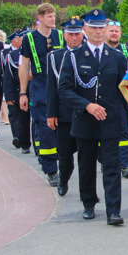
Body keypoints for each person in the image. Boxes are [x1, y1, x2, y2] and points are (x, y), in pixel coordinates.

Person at [58, 9, 128, 226]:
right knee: (86, 164)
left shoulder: (117, 57)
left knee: (112, 165)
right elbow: (64, 90)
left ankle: (113, 210)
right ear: (84, 30)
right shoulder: (73, 57)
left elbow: (124, 91)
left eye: (100, 27)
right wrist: (87, 105)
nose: (97, 31)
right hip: (85, 120)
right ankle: (89, 203)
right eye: (93, 27)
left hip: (110, 120)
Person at [20, 3, 64, 187]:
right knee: (46, 128)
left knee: (62, 128)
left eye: (54, 16)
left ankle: (63, 162)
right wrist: (23, 92)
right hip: (39, 85)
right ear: (40, 18)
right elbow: (24, 67)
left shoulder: (60, 36)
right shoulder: (29, 38)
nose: (53, 19)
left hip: (60, 85)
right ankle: (51, 169)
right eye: (49, 16)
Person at [47, 18, 84, 197]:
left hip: (85, 113)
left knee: (85, 155)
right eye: (71, 34)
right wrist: (51, 113)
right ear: (64, 35)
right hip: (63, 115)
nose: (74, 38)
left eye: (77, 34)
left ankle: (86, 191)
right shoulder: (55, 57)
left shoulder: (88, 55)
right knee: (65, 153)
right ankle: (63, 180)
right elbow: (51, 87)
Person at [105, 19, 128, 179]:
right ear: (105, 32)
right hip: (103, 99)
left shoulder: (127, 51)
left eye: (117, 31)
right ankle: (106, 161)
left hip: (122, 98)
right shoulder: (100, 51)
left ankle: (126, 164)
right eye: (111, 31)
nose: (114, 33)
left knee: (125, 131)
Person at [0, 31, 31, 152]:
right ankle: (23, 141)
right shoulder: (13, 55)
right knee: (21, 118)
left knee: (38, 120)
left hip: (36, 90)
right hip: (18, 90)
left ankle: (38, 145)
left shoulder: (39, 53)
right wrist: (8, 94)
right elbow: (7, 76)